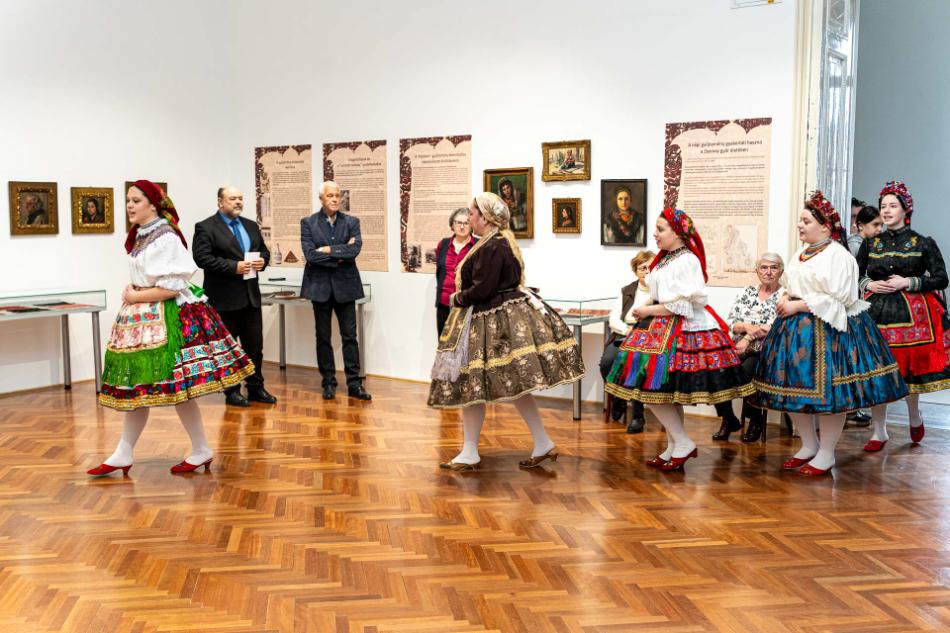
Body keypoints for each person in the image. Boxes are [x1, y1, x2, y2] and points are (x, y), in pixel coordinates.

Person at [88, 180, 254, 477]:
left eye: (136, 201)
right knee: (139, 387)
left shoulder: (165, 236)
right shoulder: (142, 234)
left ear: (153, 205)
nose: (129, 206)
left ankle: (198, 449)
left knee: (180, 388)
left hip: (171, 320)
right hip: (144, 319)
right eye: (128, 200)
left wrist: (135, 295)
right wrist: (133, 289)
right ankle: (125, 452)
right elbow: (149, 277)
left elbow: (172, 286)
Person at [428, 192, 585, 471]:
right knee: (510, 385)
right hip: (496, 319)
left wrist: (457, 298)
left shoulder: (493, 246)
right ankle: (538, 442)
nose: (470, 218)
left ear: (486, 218)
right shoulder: (497, 241)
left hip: (491, 323)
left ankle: (473, 451)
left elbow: (484, 289)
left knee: (476, 384)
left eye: (473, 213)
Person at [755, 191, 907, 475]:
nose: (800, 225)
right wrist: (785, 296)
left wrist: (798, 304)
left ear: (825, 227)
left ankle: (826, 453)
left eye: (806, 221)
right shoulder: (800, 253)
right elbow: (793, 283)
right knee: (795, 391)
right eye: (800, 220)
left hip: (829, 332)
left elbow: (841, 299)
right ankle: (808, 445)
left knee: (831, 395)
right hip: (795, 332)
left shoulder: (839, 256)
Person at [605, 208, 753, 472]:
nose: (655, 234)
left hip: (680, 331)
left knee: (654, 391)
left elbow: (682, 305)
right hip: (659, 328)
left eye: (660, 229)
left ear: (677, 232)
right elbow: (661, 293)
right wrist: (646, 306)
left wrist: (648, 310)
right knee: (663, 394)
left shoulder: (686, 260)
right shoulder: (666, 259)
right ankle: (674, 446)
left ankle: (683, 443)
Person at [857, 181, 950, 451]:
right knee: (878, 371)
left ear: (905, 209)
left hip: (914, 316)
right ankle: (879, 431)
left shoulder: (923, 243)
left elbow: (941, 278)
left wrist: (908, 282)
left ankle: (913, 415)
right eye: (883, 206)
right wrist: (869, 284)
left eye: (893, 206)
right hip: (875, 315)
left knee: (909, 370)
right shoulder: (871, 243)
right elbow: (856, 274)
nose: (886, 211)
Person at [192, 186, 275, 407]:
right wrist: (233, 267)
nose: (238, 202)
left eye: (240, 198)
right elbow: (202, 258)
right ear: (220, 202)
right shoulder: (206, 227)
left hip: (251, 298)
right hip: (224, 300)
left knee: (255, 348)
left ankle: (256, 388)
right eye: (232, 198)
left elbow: (264, 251)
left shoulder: (250, 225)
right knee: (227, 349)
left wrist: (263, 261)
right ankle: (232, 391)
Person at [300, 180, 371, 401]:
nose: (334, 199)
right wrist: (340, 254)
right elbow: (310, 255)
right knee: (323, 336)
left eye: (337, 195)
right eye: (330, 195)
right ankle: (328, 382)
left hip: (346, 287)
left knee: (350, 336)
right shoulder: (308, 223)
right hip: (319, 287)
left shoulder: (351, 222)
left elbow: (354, 250)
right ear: (321, 198)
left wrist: (327, 249)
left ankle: (354, 383)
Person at [712, 253, 785, 442]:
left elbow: (772, 327)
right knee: (718, 371)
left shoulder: (784, 295)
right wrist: (746, 327)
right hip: (738, 343)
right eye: (764, 267)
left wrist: (748, 336)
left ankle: (755, 419)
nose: (768, 272)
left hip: (767, 348)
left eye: (774, 267)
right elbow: (732, 323)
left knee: (745, 372)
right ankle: (728, 418)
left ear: (781, 271)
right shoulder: (747, 292)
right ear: (757, 271)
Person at [600, 250, 655, 433]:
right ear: (635, 271)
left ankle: (638, 416)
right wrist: (626, 330)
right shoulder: (627, 290)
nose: (647, 271)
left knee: (636, 366)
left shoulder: (660, 291)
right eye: (642, 268)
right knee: (606, 362)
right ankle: (618, 398)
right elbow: (614, 318)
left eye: (650, 267)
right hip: (624, 333)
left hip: (649, 338)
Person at [434, 207, 476, 336]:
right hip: (444, 304)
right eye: (458, 222)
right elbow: (439, 271)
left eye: (466, 223)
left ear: (471, 225)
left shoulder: (477, 245)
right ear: (452, 224)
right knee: (443, 342)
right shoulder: (443, 244)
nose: (462, 226)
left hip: (467, 305)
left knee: (465, 343)